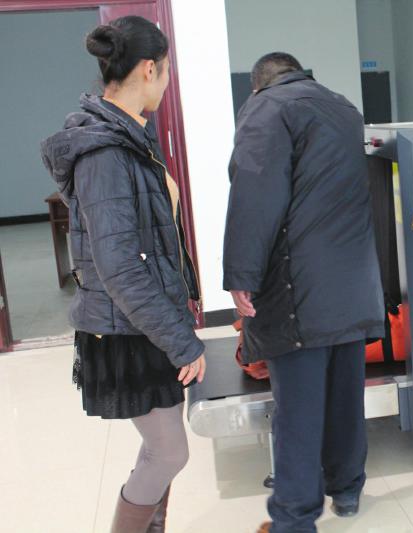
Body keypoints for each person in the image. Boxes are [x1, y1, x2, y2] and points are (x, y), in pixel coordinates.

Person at [41, 16, 206, 533]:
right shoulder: (105, 152)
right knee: (169, 453)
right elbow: (119, 268)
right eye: (167, 71)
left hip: (146, 321)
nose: (168, 82)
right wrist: (182, 341)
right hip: (127, 329)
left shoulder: (131, 136)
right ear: (150, 69)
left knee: (160, 451)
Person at [223, 52, 385, 533]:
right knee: (344, 399)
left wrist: (241, 273)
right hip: (352, 283)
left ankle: (293, 519)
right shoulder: (344, 108)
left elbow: (255, 195)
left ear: (257, 85)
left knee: (298, 409)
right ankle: (348, 489)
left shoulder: (267, 108)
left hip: (299, 289)